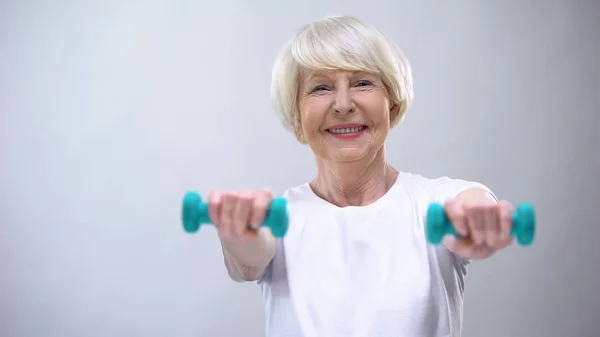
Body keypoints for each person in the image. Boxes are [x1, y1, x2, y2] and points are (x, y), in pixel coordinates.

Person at [207, 15, 515, 337]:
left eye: (362, 83)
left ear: (392, 104)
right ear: (297, 116)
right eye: (320, 87)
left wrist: (474, 220)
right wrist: (238, 233)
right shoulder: (278, 218)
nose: (343, 105)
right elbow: (248, 260)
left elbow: (468, 207)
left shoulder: (435, 203)